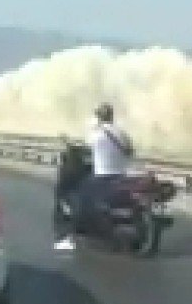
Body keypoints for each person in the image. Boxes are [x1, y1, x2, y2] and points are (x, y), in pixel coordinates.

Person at [53, 102, 134, 251]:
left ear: (99, 117)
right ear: (111, 116)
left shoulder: (96, 133)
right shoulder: (122, 133)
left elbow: (84, 149)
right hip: (121, 176)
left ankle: (76, 230)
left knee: (80, 196)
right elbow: (130, 150)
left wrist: (69, 143)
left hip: (102, 177)